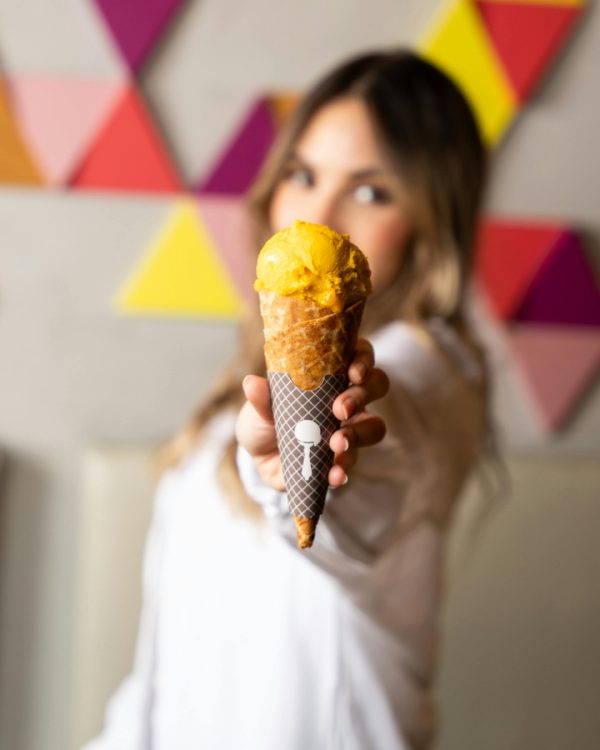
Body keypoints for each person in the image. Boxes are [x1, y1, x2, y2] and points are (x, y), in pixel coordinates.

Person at [85, 49, 492, 750]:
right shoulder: (237, 390)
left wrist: (292, 472)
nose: (317, 216)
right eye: (302, 175)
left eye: (370, 191)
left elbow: (371, 476)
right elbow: (164, 659)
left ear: (432, 222)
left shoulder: (425, 377)